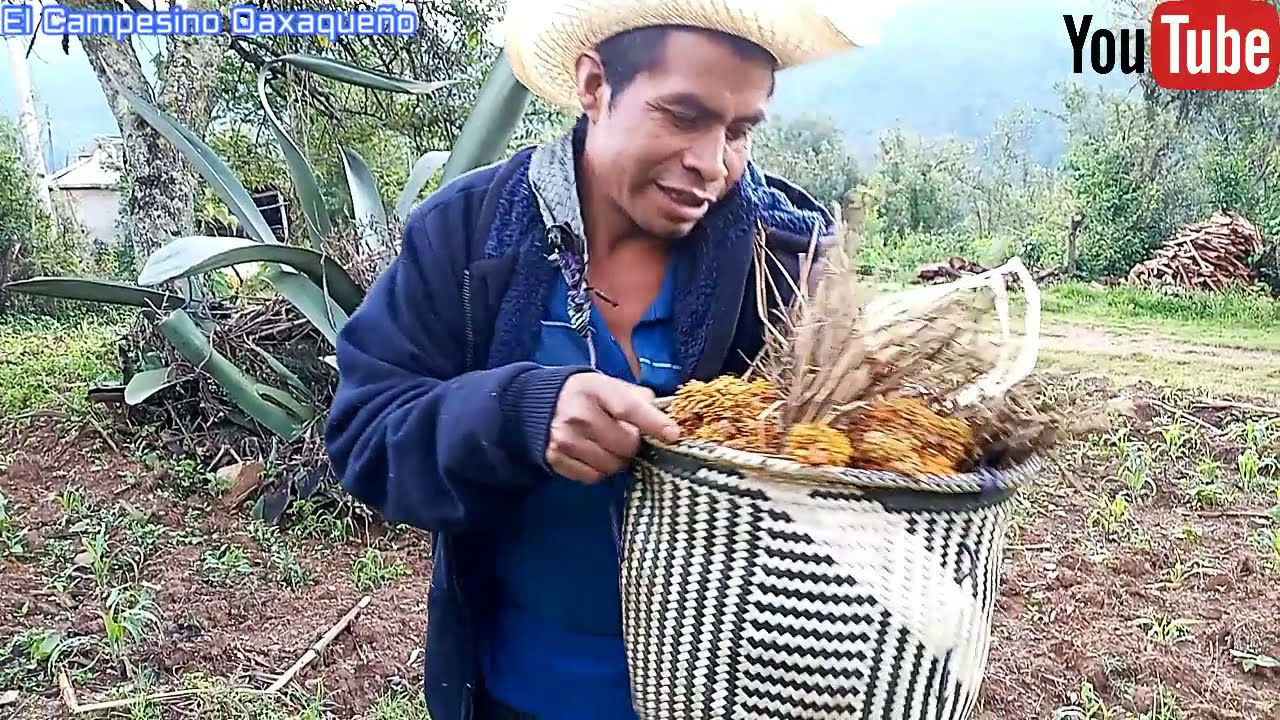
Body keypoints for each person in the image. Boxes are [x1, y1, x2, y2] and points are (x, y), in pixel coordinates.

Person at [324, 1, 861, 718]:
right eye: (682, 115)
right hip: (518, 690)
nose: (711, 164)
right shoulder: (470, 235)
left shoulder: (785, 265)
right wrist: (521, 415)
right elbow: (367, 432)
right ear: (594, 86)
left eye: (738, 131)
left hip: (720, 696)